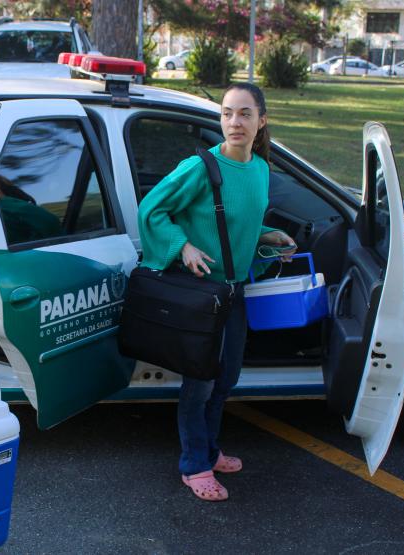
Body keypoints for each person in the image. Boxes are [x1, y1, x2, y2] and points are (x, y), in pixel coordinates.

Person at [137, 83, 296, 502]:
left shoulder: (260, 169)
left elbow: (236, 226)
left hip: (233, 292)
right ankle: (195, 465)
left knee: (227, 377)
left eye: (244, 114)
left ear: (262, 121)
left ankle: (209, 449)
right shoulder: (200, 167)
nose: (234, 122)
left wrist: (270, 236)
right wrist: (182, 246)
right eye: (227, 113)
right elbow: (151, 209)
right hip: (201, 294)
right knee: (201, 383)